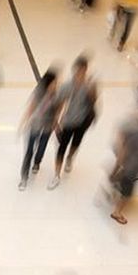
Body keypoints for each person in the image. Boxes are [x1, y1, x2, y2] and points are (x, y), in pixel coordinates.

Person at [48, 55, 98, 190]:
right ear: (74, 70)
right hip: (68, 121)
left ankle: (70, 158)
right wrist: (56, 121)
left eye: (84, 70)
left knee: (76, 143)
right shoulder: (67, 86)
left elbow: (94, 102)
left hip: (83, 121)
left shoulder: (90, 84)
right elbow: (59, 102)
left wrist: (90, 89)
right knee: (61, 148)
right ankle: (56, 175)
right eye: (78, 70)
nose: (81, 73)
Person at [18, 68, 61, 190]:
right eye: (54, 82)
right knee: (29, 151)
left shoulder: (56, 94)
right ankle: (24, 178)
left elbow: (58, 109)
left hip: (48, 126)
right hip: (35, 125)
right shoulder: (39, 92)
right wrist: (23, 123)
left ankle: (37, 162)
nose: (56, 84)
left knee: (42, 147)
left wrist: (56, 123)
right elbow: (30, 108)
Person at [108, 107, 138, 224]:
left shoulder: (134, 132)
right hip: (130, 168)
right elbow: (122, 155)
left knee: (122, 181)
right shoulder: (135, 135)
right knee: (127, 193)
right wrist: (116, 169)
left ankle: (114, 186)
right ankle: (117, 212)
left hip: (131, 166)